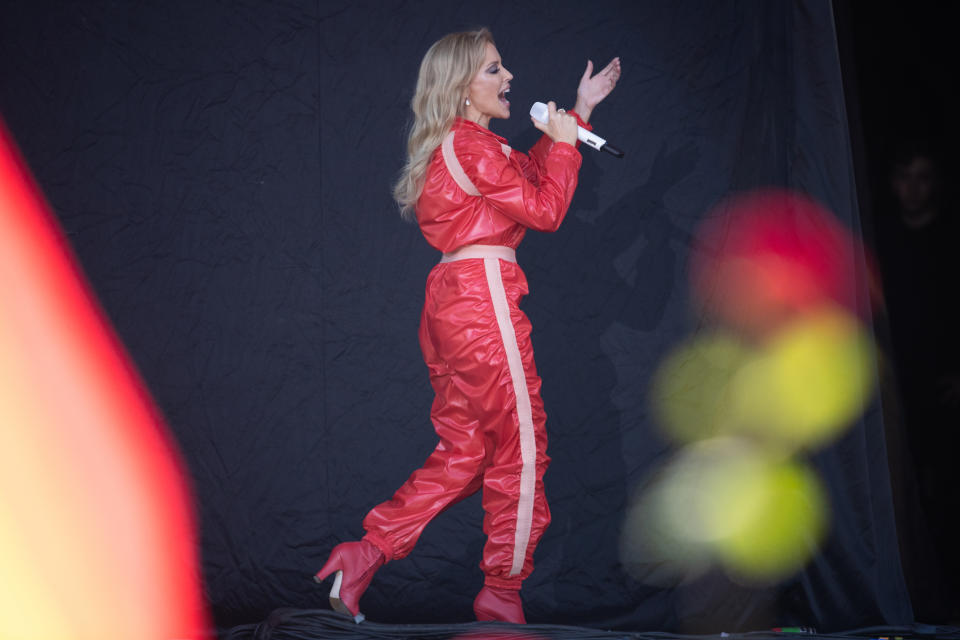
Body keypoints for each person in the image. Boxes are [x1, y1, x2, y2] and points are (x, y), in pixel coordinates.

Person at [315, 27, 620, 624]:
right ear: (461, 89)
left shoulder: (465, 146)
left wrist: (577, 117)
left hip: (452, 300)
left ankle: (365, 553)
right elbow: (545, 209)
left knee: (467, 449)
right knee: (522, 446)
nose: (509, 78)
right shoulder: (472, 146)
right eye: (493, 70)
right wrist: (564, 144)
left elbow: (526, 182)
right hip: (482, 298)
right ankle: (503, 593)